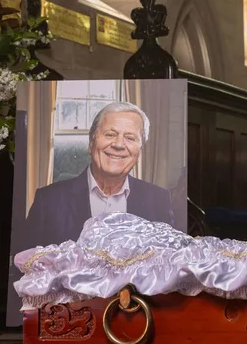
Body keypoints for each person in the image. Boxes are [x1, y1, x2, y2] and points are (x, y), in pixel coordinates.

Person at [23, 101, 175, 248]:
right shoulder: (48, 200)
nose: (118, 145)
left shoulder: (159, 200)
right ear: (91, 143)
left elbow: (170, 263)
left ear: (139, 151)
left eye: (130, 138)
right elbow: (23, 266)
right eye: (110, 134)